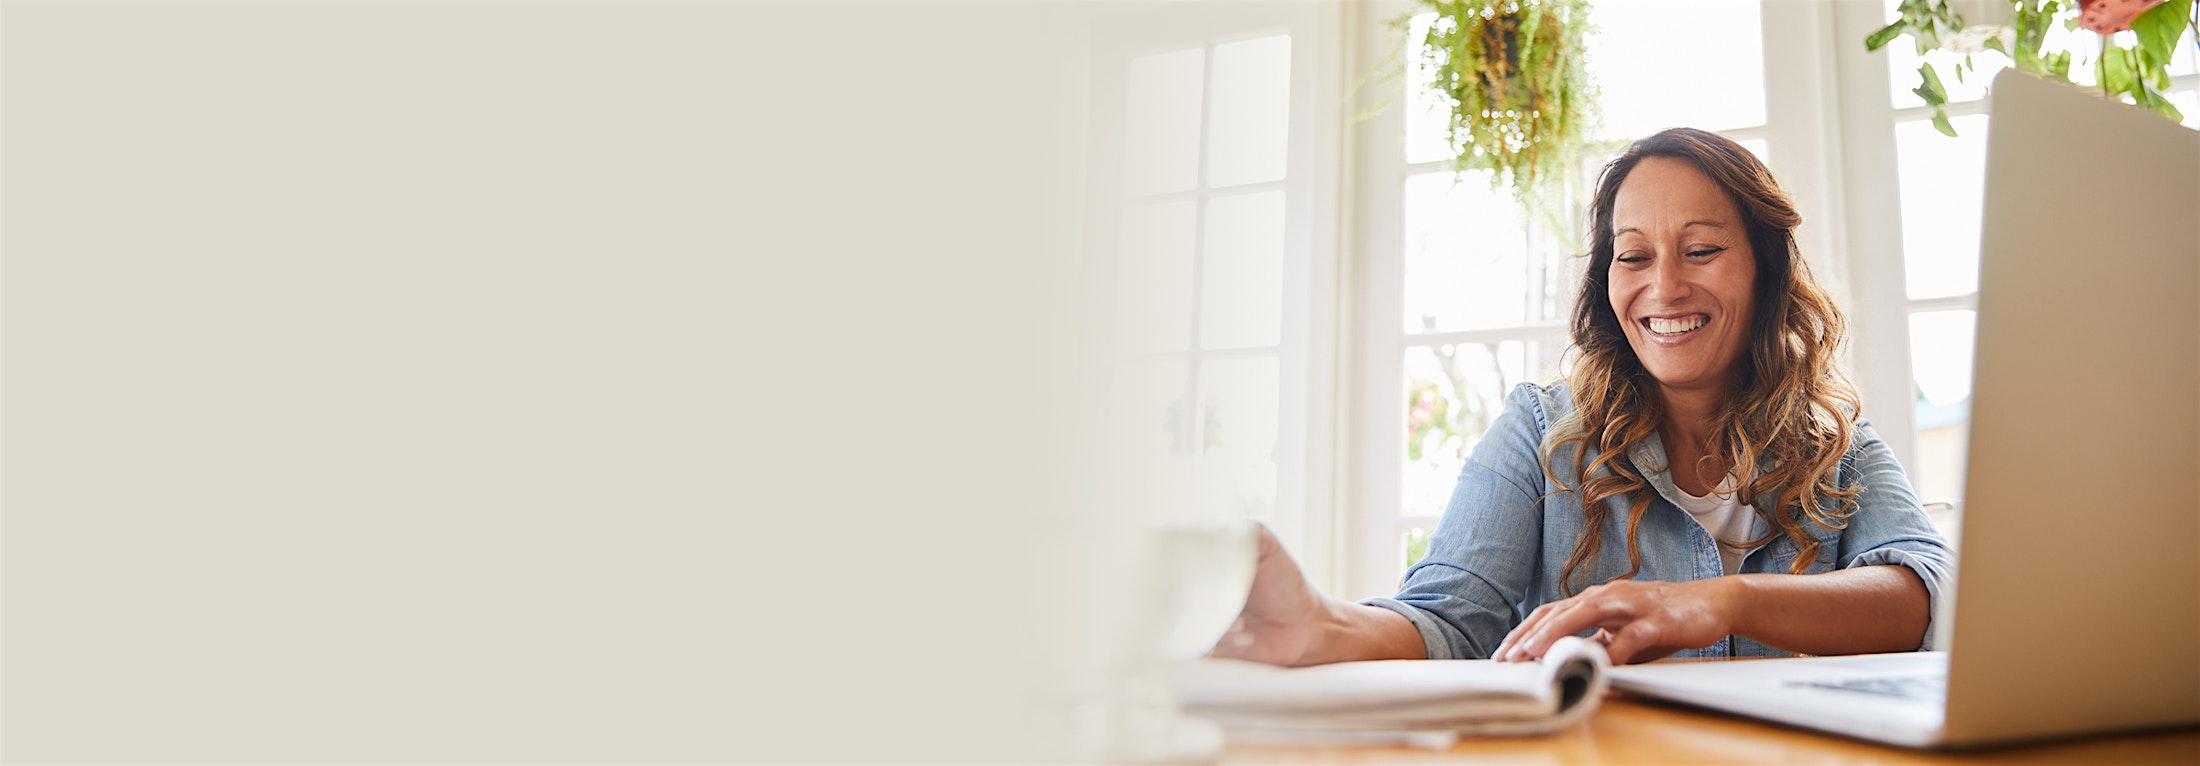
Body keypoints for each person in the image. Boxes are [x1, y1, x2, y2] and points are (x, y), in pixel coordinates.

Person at [1212, 128, 1953, 667]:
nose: (1663, 287)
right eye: (1633, 256)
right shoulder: (1539, 431)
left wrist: (1717, 601)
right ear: (1608, 281)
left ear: (1764, 269)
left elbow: (1924, 592)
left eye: (1701, 250)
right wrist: (1316, 627)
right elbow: (1447, 622)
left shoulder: (1839, 448)